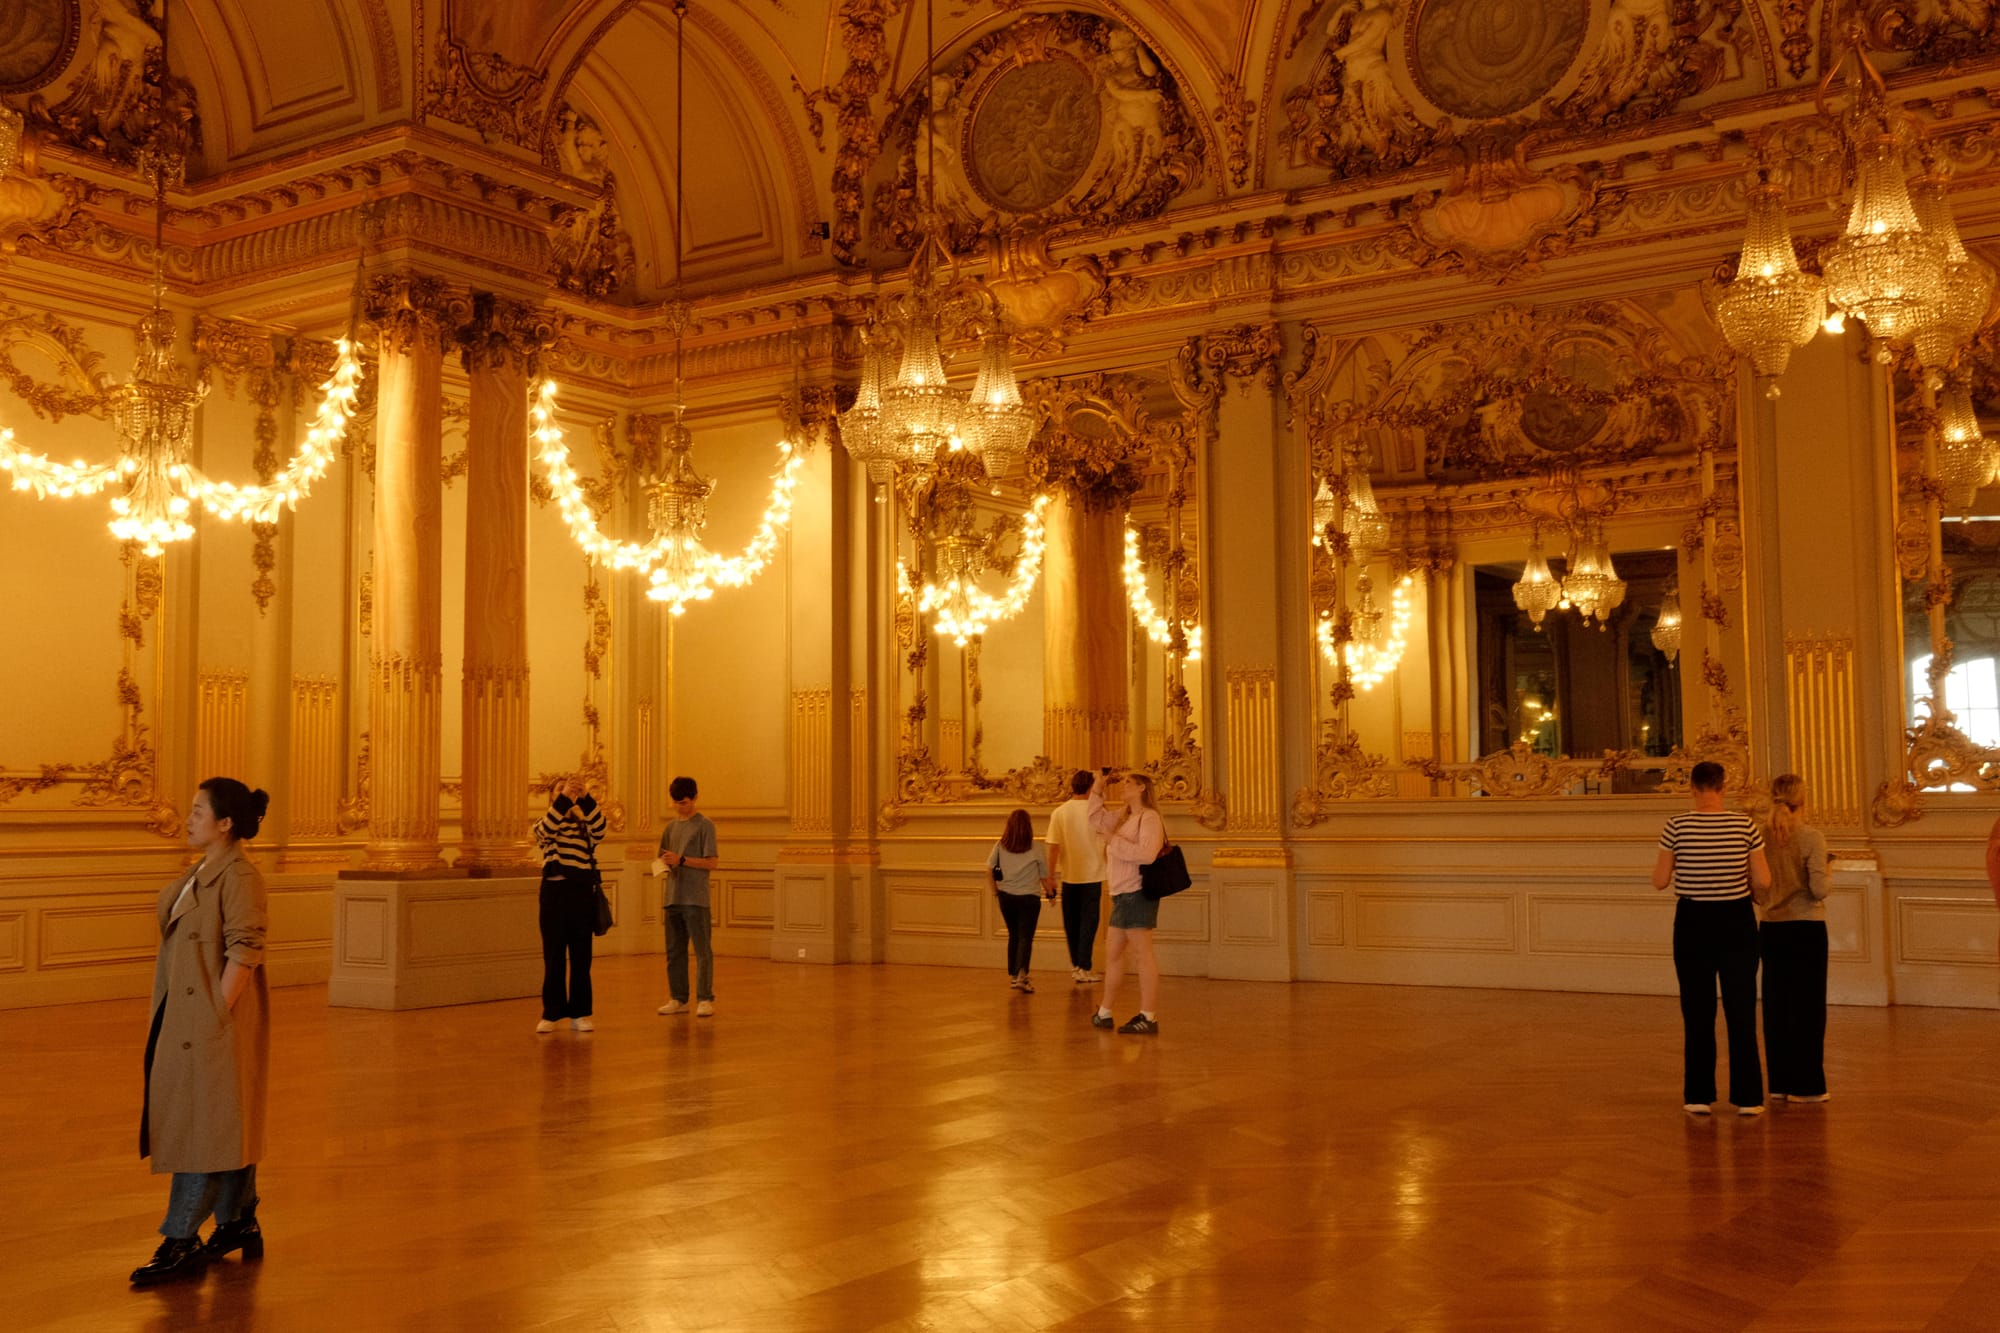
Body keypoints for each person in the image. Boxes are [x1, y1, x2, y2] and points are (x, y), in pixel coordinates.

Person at [131, 777, 272, 1287]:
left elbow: (245, 949)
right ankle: (237, 1221)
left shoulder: (239, 877)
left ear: (225, 823)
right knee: (222, 1120)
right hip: (187, 1019)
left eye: (197, 811)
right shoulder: (203, 870)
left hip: (212, 1024)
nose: (187, 819)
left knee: (201, 1126)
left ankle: (181, 1239)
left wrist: (217, 1011)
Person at [1652, 760, 1771, 1116]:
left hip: (1692, 922)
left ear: (1693, 787)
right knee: (1741, 1008)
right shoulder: (1744, 825)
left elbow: (1660, 880)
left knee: (1697, 1009)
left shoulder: (1676, 825)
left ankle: (1698, 1094)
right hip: (1736, 920)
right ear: (1723, 787)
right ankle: (1748, 1098)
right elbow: (1763, 881)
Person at [1757, 774, 1831, 1103]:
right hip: (1806, 927)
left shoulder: (1759, 836)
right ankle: (1807, 1086)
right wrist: (1830, 870)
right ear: (1803, 801)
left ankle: (1779, 1084)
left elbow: (1756, 889)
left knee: (1776, 1006)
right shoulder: (1811, 837)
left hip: (1771, 926)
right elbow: (1818, 890)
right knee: (1808, 1007)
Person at [1088, 768, 1167, 1035]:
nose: (1122, 786)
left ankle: (1148, 1016)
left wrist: (1114, 841)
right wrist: (1097, 789)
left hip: (1137, 894)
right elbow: (1096, 820)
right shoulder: (1124, 817)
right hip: (1121, 895)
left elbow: (1147, 854)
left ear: (1142, 788)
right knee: (1112, 954)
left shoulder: (1150, 818)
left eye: (1128, 783)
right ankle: (1105, 1012)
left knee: (1142, 955)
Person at [532, 775, 606, 1035]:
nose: (567, 793)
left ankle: (581, 1012)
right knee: (553, 956)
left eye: (569, 791)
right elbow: (544, 832)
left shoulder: (585, 826)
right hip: (554, 893)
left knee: (581, 957)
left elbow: (601, 828)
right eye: (559, 791)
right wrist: (564, 798)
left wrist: (584, 797)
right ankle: (551, 1012)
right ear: (553, 797)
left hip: (581, 893)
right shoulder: (544, 822)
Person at [657, 775, 719, 1017]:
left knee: (702, 950)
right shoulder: (670, 827)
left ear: (694, 798)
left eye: (683, 802)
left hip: (696, 898)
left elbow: (712, 862)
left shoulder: (705, 825)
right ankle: (678, 998)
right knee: (674, 951)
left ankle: (705, 998)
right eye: (676, 802)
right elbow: (661, 857)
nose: (679, 807)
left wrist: (682, 860)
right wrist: (664, 863)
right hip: (673, 896)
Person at [1046, 768, 1106, 984]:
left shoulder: (1060, 812)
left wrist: (1050, 876)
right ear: (1091, 787)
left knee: (1071, 924)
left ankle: (1076, 966)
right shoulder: (1097, 811)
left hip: (1069, 875)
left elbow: (1053, 848)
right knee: (1089, 924)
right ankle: (1085, 967)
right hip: (1094, 874)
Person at [988, 808, 1049, 992]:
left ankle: (1014, 976)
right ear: (1028, 827)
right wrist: (1051, 893)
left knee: (1013, 935)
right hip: (1029, 898)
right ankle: (1022, 975)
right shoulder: (1036, 847)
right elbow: (1044, 875)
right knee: (1025, 937)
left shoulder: (1000, 845)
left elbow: (988, 870)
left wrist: (996, 893)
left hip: (1006, 897)